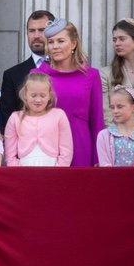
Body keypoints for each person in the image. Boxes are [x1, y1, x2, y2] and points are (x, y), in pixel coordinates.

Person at [32, 18, 105, 166]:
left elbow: (97, 119)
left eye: (60, 41)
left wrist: (98, 157)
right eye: (51, 42)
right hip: (47, 145)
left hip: (81, 144)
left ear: (73, 43)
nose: (55, 47)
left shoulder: (91, 75)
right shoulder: (37, 74)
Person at [100, 18, 134, 141]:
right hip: (116, 144)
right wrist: (121, 140)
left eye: (122, 39)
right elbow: (106, 114)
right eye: (114, 40)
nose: (117, 43)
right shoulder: (105, 74)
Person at [0, 10, 55, 132]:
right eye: (31, 31)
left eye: (41, 30)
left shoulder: (67, 70)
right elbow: (7, 122)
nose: (36, 35)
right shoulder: (12, 75)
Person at [4, 73, 73, 166]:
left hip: (53, 170)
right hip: (23, 171)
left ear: (49, 95)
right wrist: (17, 171)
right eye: (33, 95)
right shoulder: (15, 118)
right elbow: (10, 154)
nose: (38, 100)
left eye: (43, 95)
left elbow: (66, 148)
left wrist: (59, 169)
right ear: (25, 95)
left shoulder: (59, 115)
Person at [96, 86, 134, 166]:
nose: (115, 111)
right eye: (112, 107)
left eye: (120, 107)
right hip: (110, 178)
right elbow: (105, 167)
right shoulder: (104, 136)